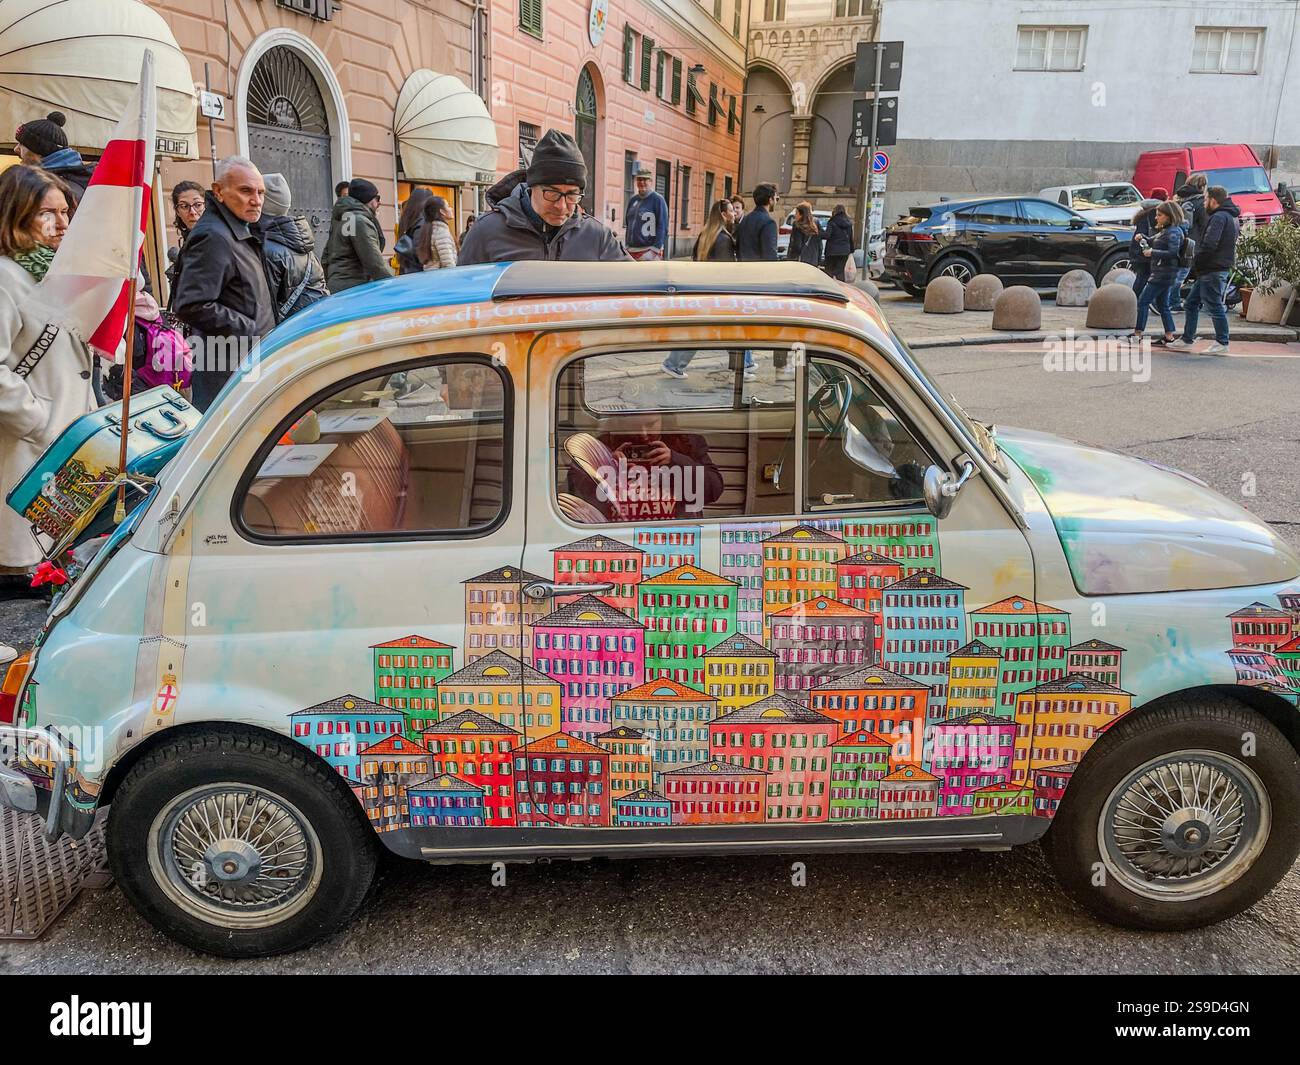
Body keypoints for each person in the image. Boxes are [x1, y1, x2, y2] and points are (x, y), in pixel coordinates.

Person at [0, 166, 96, 595]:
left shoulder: (57, 275)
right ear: (16, 217)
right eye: (47, 214)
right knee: (22, 572)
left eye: (65, 212)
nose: (62, 224)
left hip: (65, 445)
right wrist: (36, 419)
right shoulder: (7, 278)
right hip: (26, 447)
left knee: (54, 562)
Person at [171, 156, 278, 411]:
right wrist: (250, 328)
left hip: (245, 362)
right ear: (218, 191)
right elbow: (191, 304)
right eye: (245, 191)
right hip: (228, 369)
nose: (256, 199)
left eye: (260, 192)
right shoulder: (213, 235)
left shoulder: (237, 229)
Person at [459, 129, 630, 264]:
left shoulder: (597, 236)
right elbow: (463, 295)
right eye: (552, 193)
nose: (561, 206)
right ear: (532, 186)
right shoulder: (485, 231)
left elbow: (635, 286)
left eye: (571, 195)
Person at [566, 411, 723, 522]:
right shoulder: (603, 445)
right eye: (634, 427)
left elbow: (714, 489)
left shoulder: (686, 443)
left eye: (651, 425)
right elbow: (573, 490)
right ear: (620, 424)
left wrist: (676, 460)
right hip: (620, 528)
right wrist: (606, 466)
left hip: (675, 528)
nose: (644, 434)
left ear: (664, 419)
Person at [1166, 185, 1240, 356]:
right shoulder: (1228, 216)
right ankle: (1187, 338)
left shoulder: (1219, 217)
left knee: (1214, 305)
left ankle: (1222, 341)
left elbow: (1210, 244)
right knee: (1192, 303)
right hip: (1214, 268)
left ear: (1213, 200)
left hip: (1212, 268)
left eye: (1206, 199)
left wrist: (1197, 259)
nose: (1204, 202)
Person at [258, 173, 328, 318]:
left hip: (289, 333)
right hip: (313, 322)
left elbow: (265, 307)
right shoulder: (301, 240)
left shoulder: (267, 248)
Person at [321, 178, 393, 293]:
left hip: (338, 286)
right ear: (368, 199)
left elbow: (326, 255)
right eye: (377, 198)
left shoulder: (342, 218)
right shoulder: (359, 221)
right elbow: (374, 263)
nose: (379, 203)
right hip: (354, 288)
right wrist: (392, 286)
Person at [1131, 200, 1185, 345]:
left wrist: (1152, 252)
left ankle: (1138, 334)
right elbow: (1153, 240)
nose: (1156, 217)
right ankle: (1169, 335)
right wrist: (1143, 238)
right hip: (1165, 273)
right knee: (1163, 305)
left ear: (1169, 216)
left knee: (1143, 301)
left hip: (1162, 273)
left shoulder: (1172, 232)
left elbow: (1173, 252)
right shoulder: (1168, 231)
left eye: (1159, 215)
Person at [13, 112, 94, 203]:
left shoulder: (51, 189)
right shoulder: (70, 181)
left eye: (22, 144)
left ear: (40, 150)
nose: (16, 149)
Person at [1173, 173, 1208, 310]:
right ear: (1202, 186)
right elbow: (1204, 225)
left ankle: (1174, 301)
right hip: (1193, 244)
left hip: (1177, 240)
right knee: (1185, 275)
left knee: (1178, 273)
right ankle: (1179, 302)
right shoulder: (1200, 202)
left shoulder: (1178, 198)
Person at [625, 163, 668, 261]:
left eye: (645, 179)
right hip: (631, 250)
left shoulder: (658, 200)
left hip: (649, 250)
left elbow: (662, 226)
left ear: (651, 181)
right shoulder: (632, 200)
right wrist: (626, 246)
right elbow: (628, 224)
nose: (642, 182)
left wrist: (654, 250)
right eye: (639, 179)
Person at [736, 182, 779, 262]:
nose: (776, 202)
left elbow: (738, 250)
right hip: (760, 272)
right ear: (770, 200)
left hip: (743, 270)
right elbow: (770, 255)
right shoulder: (769, 223)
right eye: (776, 199)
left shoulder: (744, 220)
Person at [1128, 196, 1161, 296]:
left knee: (1142, 276)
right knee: (1143, 276)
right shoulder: (1151, 216)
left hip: (1138, 251)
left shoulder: (1142, 215)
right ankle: (1135, 299)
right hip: (1143, 252)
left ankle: (1135, 299)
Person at [394, 188, 432, 275]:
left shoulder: (407, 219)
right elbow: (420, 250)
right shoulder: (422, 221)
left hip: (406, 269)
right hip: (417, 272)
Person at [418, 195, 458, 270]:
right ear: (442, 212)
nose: (451, 208)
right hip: (442, 279)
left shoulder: (431, 229)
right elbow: (448, 264)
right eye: (448, 206)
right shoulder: (441, 233)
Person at [823, 204, 856, 281]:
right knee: (840, 272)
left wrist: (819, 233)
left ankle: (829, 289)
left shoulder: (832, 222)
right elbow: (850, 238)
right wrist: (851, 250)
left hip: (832, 251)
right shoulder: (848, 223)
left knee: (829, 272)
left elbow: (827, 235)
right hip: (844, 251)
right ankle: (840, 289)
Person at [788, 201, 823, 266]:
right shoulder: (816, 223)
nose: (795, 215)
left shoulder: (797, 225)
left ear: (801, 214)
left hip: (801, 260)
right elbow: (819, 244)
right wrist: (818, 259)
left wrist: (791, 258)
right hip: (813, 259)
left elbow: (797, 245)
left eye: (796, 213)